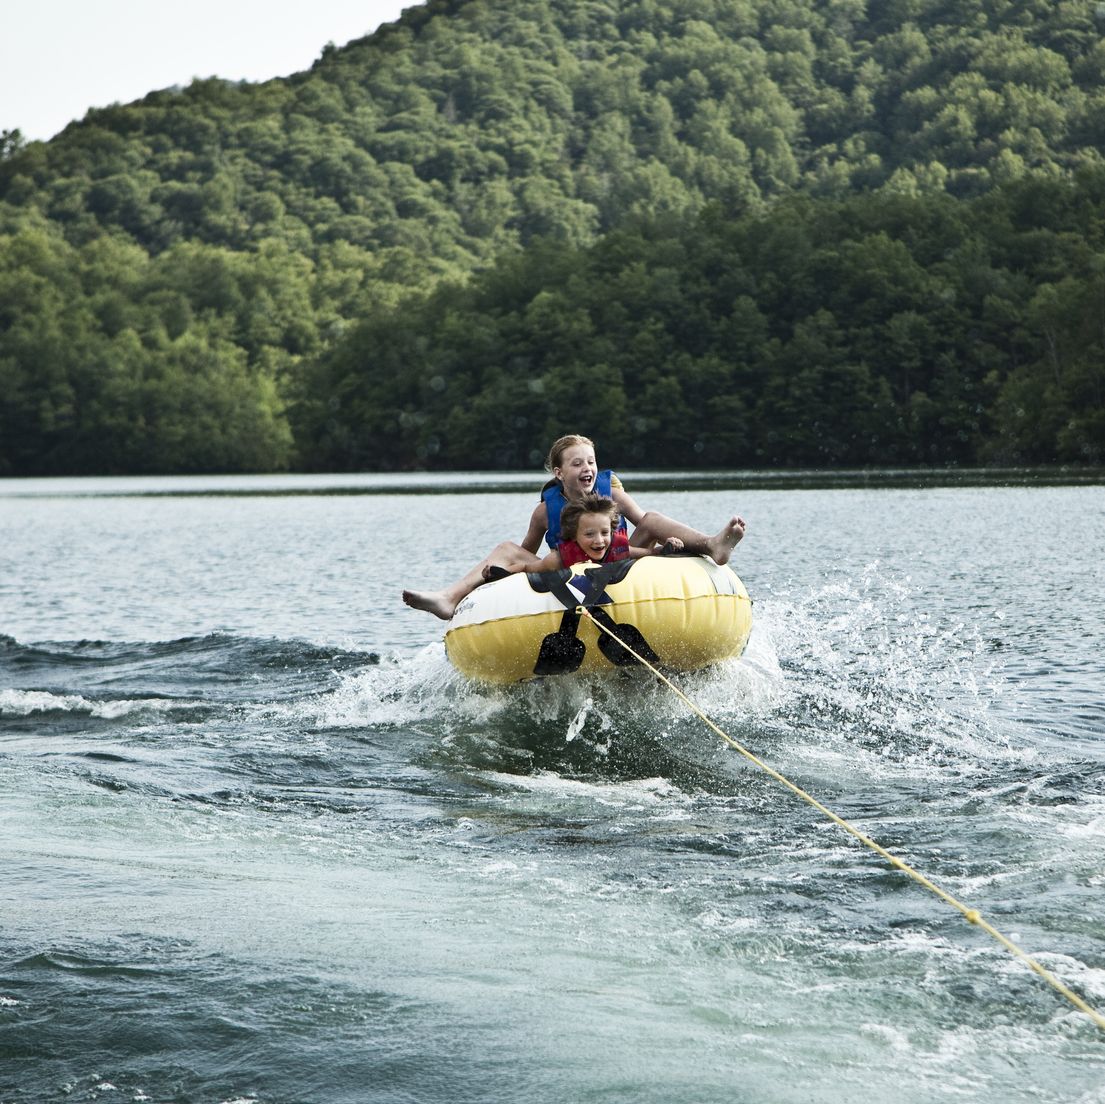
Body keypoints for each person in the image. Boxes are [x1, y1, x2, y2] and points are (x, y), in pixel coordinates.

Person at [402, 433, 746, 620]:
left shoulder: (610, 491)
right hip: (569, 566)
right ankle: (449, 597)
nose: (588, 468)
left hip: (621, 558)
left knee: (653, 517)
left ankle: (711, 544)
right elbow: (530, 555)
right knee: (507, 549)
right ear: (559, 473)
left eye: (592, 461)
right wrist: (511, 577)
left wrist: (666, 548)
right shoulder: (543, 512)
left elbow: (644, 528)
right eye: (577, 463)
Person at [541, 496, 683, 569]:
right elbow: (528, 568)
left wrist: (670, 547)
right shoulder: (557, 560)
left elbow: (652, 553)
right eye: (590, 534)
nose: (599, 540)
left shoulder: (618, 549)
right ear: (573, 535)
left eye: (605, 533)